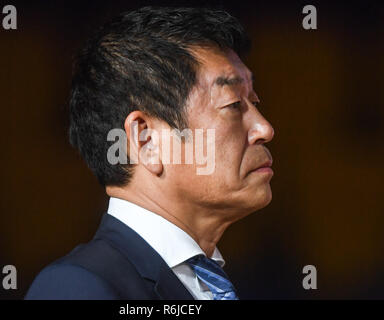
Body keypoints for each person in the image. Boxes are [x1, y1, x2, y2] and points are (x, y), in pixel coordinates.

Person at [25, 6, 274, 300]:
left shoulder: (221, 283)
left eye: (255, 101)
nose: (264, 128)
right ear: (146, 140)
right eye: (233, 104)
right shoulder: (75, 287)